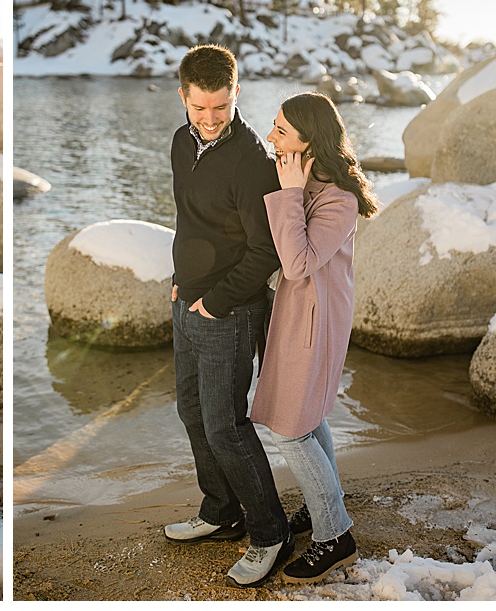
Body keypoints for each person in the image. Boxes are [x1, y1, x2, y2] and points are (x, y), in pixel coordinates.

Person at [160, 44, 290, 587]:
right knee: (192, 412)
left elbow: (267, 251)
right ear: (184, 98)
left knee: (227, 428)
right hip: (186, 303)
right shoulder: (179, 143)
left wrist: (215, 301)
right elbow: (190, 221)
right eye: (200, 109)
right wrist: (180, 281)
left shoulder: (251, 161)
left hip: (229, 313)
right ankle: (220, 512)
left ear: (237, 94)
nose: (210, 120)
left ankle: (269, 533)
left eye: (221, 106)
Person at [254, 93, 379, 583]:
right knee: (308, 415)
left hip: (315, 321)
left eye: (282, 131)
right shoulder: (308, 182)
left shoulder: (338, 199)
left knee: (289, 427)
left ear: (309, 141)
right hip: (295, 314)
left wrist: (287, 192)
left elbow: (299, 263)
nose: (271, 137)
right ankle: (322, 503)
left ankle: (335, 535)